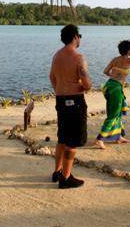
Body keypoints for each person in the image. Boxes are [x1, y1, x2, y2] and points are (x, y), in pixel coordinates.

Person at [49, 24, 92, 189]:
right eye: (79, 35)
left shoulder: (56, 56)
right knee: (72, 142)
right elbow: (87, 84)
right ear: (75, 37)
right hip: (75, 101)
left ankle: (57, 172)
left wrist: (60, 90)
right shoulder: (78, 57)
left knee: (62, 137)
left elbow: (52, 77)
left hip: (61, 100)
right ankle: (65, 178)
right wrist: (81, 86)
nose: (80, 38)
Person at [94, 31, 130, 149]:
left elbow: (105, 72)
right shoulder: (128, 60)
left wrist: (115, 73)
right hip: (115, 89)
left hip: (109, 86)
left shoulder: (115, 59)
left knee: (117, 112)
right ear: (128, 50)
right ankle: (100, 139)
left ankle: (118, 136)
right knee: (114, 114)